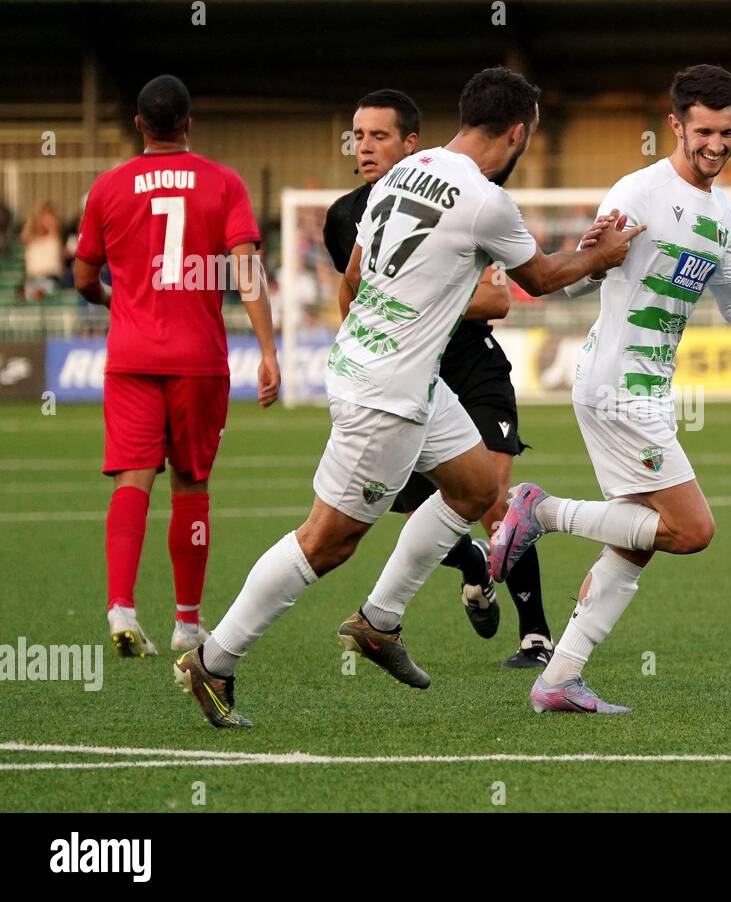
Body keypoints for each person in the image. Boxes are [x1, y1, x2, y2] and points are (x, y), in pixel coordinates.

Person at [173, 66, 644, 728]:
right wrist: (605, 255)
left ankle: (379, 622)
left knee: (477, 486)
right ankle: (214, 660)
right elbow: (538, 279)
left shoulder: (406, 170)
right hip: (387, 391)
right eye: (527, 137)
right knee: (326, 540)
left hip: (401, 374)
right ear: (517, 132)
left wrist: (577, 254)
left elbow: (363, 268)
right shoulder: (486, 200)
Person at [489, 64, 731, 714]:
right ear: (675, 125)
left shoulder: (720, 213)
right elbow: (578, 280)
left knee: (638, 540)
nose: (717, 144)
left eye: (728, 132)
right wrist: (587, 255)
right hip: (617, 385)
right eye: (704, 130)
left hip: (645, 389)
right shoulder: (639, 192)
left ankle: (558, 679)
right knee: (691, 529)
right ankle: (541, 511)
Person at [323, 88, 554, 668]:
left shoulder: (473, 199)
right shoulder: (346, 215)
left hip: (470, 368)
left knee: (493, 497)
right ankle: (467, 569)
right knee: (408, 511)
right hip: (397, 380)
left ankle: (535, 635)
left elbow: (498, 297)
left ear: (411, 144)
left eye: (380, 136)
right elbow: (355, 290)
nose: (366, 146)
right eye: (359, 135)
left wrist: (426, 307)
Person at [73, 75, 280, 658]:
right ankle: (187, 623)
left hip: (132, 358)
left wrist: (114, 299)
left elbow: (84, 277)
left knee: (131, 480)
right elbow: (246, 273)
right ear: (189, 123)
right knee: (191, 487)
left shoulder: (109, 187)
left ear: (139, 124)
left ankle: (121, 607)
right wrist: (268, 350)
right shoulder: (223, 183)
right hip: (199, 363)